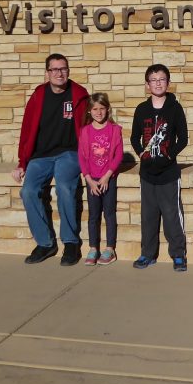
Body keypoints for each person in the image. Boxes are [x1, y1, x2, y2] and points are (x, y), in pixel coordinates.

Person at [11, 53, 88, 266]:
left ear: (68, 71)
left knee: (64, 187)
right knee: (27, 191)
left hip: (69, 153)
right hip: (41, 156)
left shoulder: (79, 94)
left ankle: (71, 242)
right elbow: (26, 130)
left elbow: (89, 128)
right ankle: (45, 243)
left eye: (62, 68)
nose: (59, 73)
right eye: (54, 69)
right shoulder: (38, 96)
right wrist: (22, 162)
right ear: (47, 73)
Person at [130, 64, 189, 272]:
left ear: (168, 83)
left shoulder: (175, 108)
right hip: (147, 174)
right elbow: (134, 137)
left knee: (172, 215)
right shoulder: (141, 109)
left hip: (169, 173)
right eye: (153, 80)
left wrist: (170, 154)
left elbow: (183, 138)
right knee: (148, 216)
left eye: (161, 79)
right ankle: (148, 253)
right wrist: (141, 154)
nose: (157, 83)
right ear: (147, 85)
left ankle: (178, 255)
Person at [78, 92, 123, 266]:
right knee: (93, 215)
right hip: (92, 180)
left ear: (107, 109)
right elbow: (82, 157)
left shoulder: (115, 130)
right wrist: (89, 179)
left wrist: (106, 176)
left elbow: (118, 155)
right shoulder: (85, 132)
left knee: (109, 213)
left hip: (107, 179)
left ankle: (110, 248)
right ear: (89, 111)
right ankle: (93, 247)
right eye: (95, 109)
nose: (98, 112)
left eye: (102, 108)